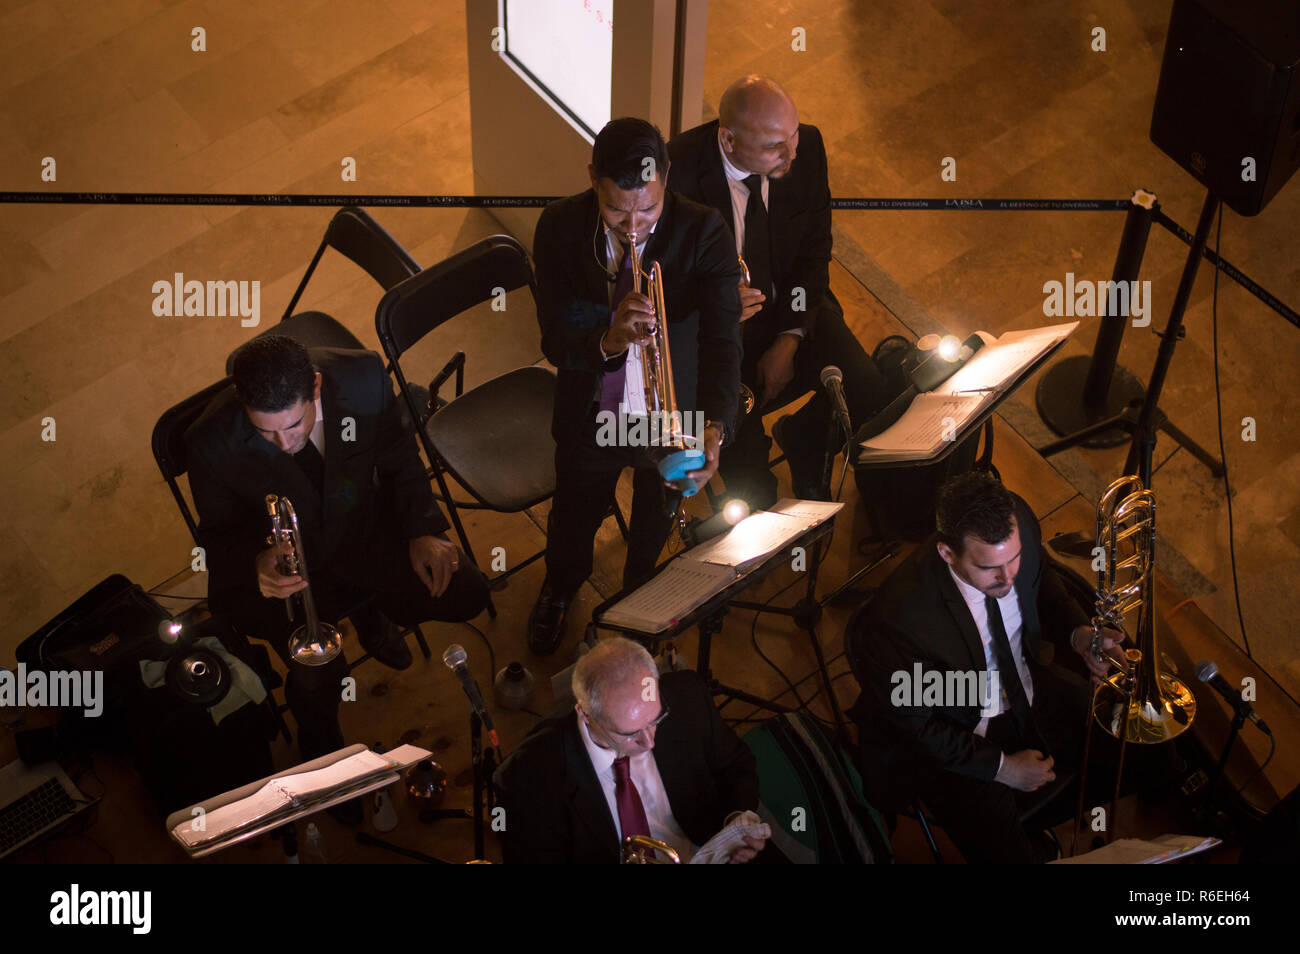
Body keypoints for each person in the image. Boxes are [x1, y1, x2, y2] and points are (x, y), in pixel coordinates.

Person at [185, 335, 490, 761]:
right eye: (263, 431)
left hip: (361, 530)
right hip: (290, 571)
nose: (283, 444)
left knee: (467, 591)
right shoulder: (208, 442)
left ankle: (376, 610)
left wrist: (423, 529)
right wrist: (256, 562)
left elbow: (399, 455)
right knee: (317, 677)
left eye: (293, 426)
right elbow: (216, 534)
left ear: (314, 387)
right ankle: (321, 742)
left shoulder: (363, 377)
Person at [528, 117, 742, 655]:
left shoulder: (705, 230)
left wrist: (715, 426)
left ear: (666, 177)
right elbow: (555, 340)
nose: (633, 226)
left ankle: (638, 603)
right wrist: (608, 339)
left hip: (675, 408)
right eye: (616, 209)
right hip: (591, 407)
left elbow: (722, 341)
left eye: (647, 209)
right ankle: (560, 587)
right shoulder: (558, 227)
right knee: (574, 513)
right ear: (593, 182)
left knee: (656, 517)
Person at [848, 472, 1126, 863]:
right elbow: (920, 727)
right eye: (989, 570)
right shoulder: (897, 621)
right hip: (959, 732)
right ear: (947, 553)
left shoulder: (1020, 524)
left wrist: (1077, 633)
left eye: (1013, 559)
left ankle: (1044, 820)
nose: (1007, 578)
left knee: (1135, 743)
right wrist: (1003, 768)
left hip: (1028, 688)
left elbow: (1042, 581)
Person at [668, 75, 889, 507]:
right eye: (774, 146)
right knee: (755, 492)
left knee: (868, 390)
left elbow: (814, 249)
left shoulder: (805, 147)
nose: (791, 154)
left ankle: (804, 440)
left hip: (793, 306)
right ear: (729, 140)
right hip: (717, 337)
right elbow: (659, 291)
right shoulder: (675, 175)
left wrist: (790, 338)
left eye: (793, 136)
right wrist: (716, 306)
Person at [494, 637, 766, 863]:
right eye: (630, 733)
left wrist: (733, 822)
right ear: (586, 714)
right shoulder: (527, 779)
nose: (649, 743)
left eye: (655, 720)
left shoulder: (687, 696)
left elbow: (736, 764)